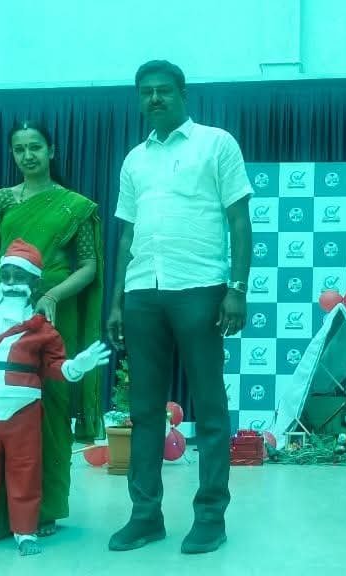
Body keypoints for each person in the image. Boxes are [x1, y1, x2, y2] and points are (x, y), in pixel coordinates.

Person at [107, 59, 253, 555]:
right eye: (146, 91)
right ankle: (145, 516)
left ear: (182, 94)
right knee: (144, 410)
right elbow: (126, 235)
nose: (154, 98)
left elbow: (239, 221)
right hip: (142, 292)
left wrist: (237, 289)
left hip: (201, 288)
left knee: (209, 408)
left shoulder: (216, 143)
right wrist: (117, 302)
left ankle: (211, 517)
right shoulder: (134, 160)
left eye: (163, 90)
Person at [0, 121, 104, 540]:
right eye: (19, 149)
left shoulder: (75, 205)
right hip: (6, 309)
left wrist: (53, 295)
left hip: (51, 311)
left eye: (35, 147)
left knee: (49, 403)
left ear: (51, 150)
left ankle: (43, 509)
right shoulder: (2, 199)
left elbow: (89, 266)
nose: (27, 155)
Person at [0, 239, 111, 556]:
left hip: (23, 409)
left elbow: (56, 367)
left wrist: (77, 366)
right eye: (5, 276)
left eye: (19, 276)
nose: (11, 283)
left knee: (25, 470)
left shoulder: (43, 329)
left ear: (33, 282)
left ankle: (25, 533)